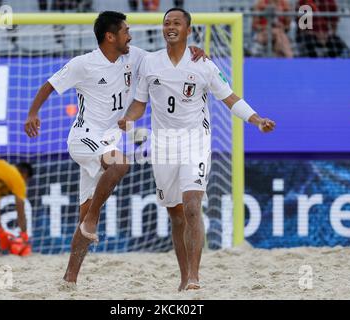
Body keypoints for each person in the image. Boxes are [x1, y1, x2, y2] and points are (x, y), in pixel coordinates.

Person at [24, 11, 206, 286]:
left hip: (108, 141)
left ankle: (70, 278)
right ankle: (94, 219)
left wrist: (193, 49)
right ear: (110, 36)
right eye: (125, 31)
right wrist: (32, 114)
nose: (130, 35)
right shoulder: (83, 64)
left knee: (84, 211)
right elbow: (50, 86)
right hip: (84, 137)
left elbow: (168, 53)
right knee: (121, 163)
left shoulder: (135, 56)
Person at [118, 8, 276, 291]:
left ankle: (194, 277)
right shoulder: (150, 62)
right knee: (176, 214)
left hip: (196, 141)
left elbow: (229, 97)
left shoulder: (203, 64)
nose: (170, 26)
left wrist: (256, 119)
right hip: (163, 145)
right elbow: (140, 102)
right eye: (166, 22)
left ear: (189, 30)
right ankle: (183, 277)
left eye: (176, 22)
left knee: (192, 206)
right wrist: (129, 119)